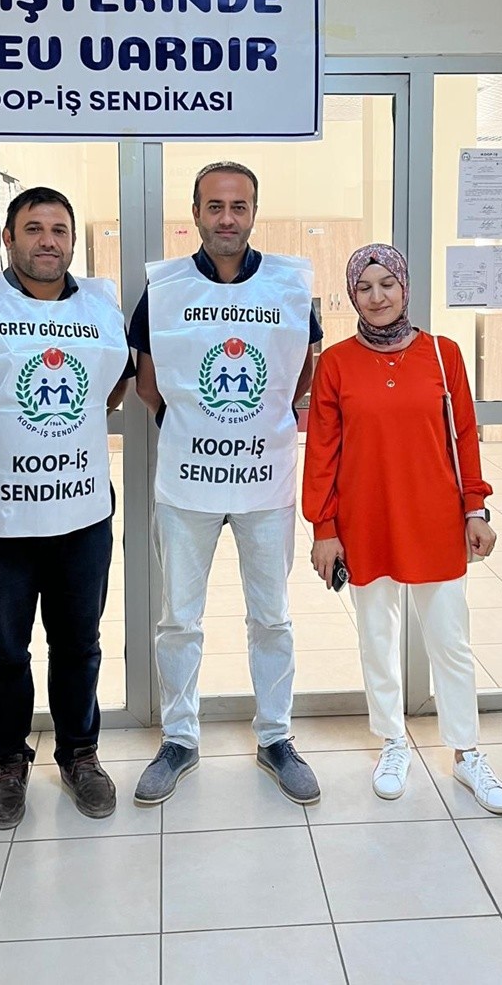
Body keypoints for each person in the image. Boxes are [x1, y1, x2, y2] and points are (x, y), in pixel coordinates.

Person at [130, 161, 322, 805]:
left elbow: (299, 375)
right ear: (196, 214)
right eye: (215, 206)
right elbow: (149, 384)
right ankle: (179, 738)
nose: (227, 218)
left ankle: (276, 737)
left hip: (264, 479)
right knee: (179, 619)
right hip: (188, 481)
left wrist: (254, 423)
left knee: (272, 617)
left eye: (239, 206)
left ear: (254, 213)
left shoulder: (288, 287)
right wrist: (201, 426)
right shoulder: (165, 290)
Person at [302, 243, 502, 815]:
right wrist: (324, 527)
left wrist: (475, 509)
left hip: (435, 521)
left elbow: (463, 436)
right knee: (377, 637)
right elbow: (322, 452)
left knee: (450, 640)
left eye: (386, 284)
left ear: (405, 287)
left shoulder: (443, 355)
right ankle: (393, 742)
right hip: (365, 522)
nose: (377, 297)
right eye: (364, 288)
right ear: (352, 297)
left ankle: (467, 752)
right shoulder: (336, 364)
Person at [0, 187, 132, 828]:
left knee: (79, 642)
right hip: (2, 517)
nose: (48, 241)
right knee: (2, 647)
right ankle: (7, 761)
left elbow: (111, 387)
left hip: (82, 512)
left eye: (59, 230)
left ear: (72, 241)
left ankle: (80, 753)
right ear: (8, 238)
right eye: (33, 228)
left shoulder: (99, 306)